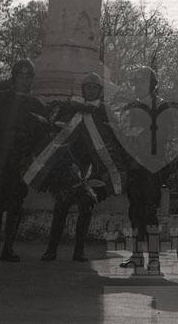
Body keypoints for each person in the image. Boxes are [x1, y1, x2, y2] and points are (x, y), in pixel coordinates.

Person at [38, 72, 121, 262]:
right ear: (83, 89)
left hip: (91, 165)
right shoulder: (72, 107)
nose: (91, 91)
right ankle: (51, 249)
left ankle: (79, 251)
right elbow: (59, 132)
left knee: (86, 209)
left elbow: (112, 139)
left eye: (94, 88)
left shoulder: (104, 112)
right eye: (88, 87)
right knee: (61, 207)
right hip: (69, 163)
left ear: (99, 91)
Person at [0, 59, 49, 262]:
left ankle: (8, 248)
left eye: (28, 76)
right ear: (14, 76)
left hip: (22, 162)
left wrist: (34, 161)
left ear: (32, 79)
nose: (24, 80)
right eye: (20, 75)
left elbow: (42, 138)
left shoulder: (37, 105)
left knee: (16, 204)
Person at [118, 66, 168, 273]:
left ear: (152, 84)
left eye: (142, 81)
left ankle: (154, 259)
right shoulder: (132, 108)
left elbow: (161, 137)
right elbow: (126, 136)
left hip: (151, 167)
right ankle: (137, 256)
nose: (138, 85)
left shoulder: (162, 106)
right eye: (136, 82)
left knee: (149, 213)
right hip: (134, 168)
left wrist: (142, 157)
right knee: (134, 212)